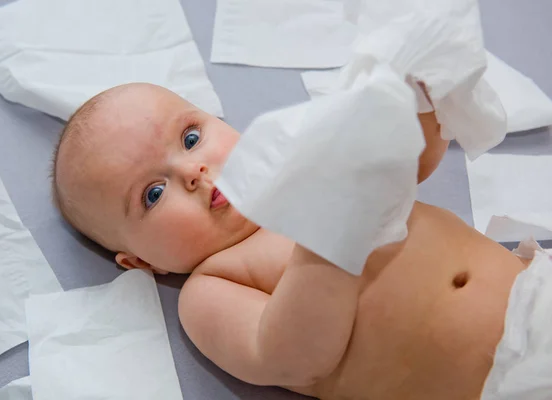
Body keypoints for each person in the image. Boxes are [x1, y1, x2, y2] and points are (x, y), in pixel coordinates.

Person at [52, 82, 529, 399]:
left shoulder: (308, 167)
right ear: (140, 261)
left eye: (191, 138)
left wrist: (422, 105)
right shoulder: (210, 288)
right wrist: (330, 237)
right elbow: (293, 359)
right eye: (153, 194)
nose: (191, 172)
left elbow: (406, 167)